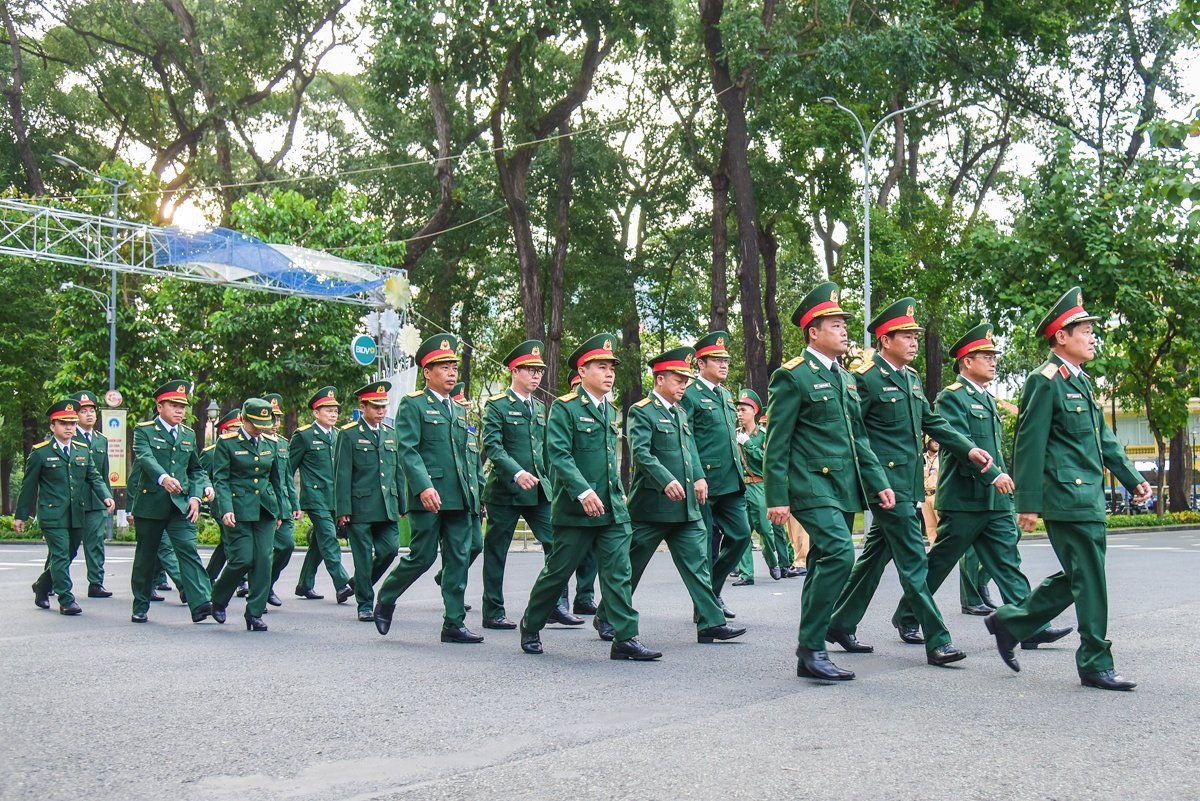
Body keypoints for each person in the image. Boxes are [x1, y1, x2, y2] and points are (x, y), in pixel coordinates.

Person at [984, 287, 1151, 691]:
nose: (1093, 337)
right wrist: (1027, 503)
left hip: (1087, 496)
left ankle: (1010, 621)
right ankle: (1095, 659)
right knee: (1090, 577)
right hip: (1066, 496)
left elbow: (1104, 440)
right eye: (1085, 330)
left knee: (1081, 575)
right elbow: (1029, 443)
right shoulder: (1045, 382)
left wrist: (1133, 478)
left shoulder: (1081, 382)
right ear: (1061, 336)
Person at [826, 297, 994, 668]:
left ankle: (839, 623)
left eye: (917, 335)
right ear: (885, 340)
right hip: (885, 484)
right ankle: (938, 640)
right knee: (914, 560)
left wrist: (968, 450)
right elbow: (856, 435)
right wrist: (873, 480)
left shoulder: (911, 379)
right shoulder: (865, 378)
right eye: (906, 335)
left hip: (907, 483)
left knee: (874, 558)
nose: (915, 341)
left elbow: (932, 424)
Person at [889, 323, 1073, 649]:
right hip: (964, 500)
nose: (992, 362)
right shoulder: (952, 398)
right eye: (984, 356)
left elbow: (994, 450)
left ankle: (1030, 624)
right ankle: (907, 615)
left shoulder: (989, 400)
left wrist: (1003, 478)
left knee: (1007, 562)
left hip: (995, 500)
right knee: (940, 563)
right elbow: (963, 448)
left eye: (993, 356)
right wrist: (994, 476)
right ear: (966, 362)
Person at [764, 283, 894, 681]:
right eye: (834, 324)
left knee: (823, 561)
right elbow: (777, 441)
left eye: (843, 324)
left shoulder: (846, 379)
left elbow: (859, 441)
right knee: (840, 553)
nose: (843, 330)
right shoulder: (793, 377)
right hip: (809, 485)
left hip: (842, 487)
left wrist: (879, 482)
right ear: (813, 332)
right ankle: (812, 647)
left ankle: (811, 652)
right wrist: (777, 497)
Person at [520, 333, 661, 661]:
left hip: (611, 509)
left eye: (612, 367)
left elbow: (612, 461)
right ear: (582, 372)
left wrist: (618, 494)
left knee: (618, 572)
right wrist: (582, 491)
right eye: (601, 366)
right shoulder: (565, 408)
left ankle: (625, 637)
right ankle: (531, 622)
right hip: (575, 510)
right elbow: (558, 453)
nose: (610, 373)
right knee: (557, 572)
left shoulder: (612, 412)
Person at [593, 347, 745, 644]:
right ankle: (607, 615)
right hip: (652, 508)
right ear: (660, 379)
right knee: (632, 566)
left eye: (685, 380)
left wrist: (699, 477)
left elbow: (690, 452)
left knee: (697, 563)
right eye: (678, 380)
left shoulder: (680, 412)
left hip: (685, 506)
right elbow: (642, 454)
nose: (683, 386)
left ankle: (711, 622)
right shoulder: (642, 410)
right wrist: (666, 481)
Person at [374, 334, 482, 643]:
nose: (451, 372)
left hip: (459, 496)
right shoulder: (413, 404)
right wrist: (423, 487)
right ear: (427, 371)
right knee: (421, 557)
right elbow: (408, 449)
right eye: (444, 367)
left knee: (460, 557)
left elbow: (465, 456)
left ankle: (454, 622)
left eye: (453, 367)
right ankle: (387, 596)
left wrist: (474, 495)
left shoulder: (459, 411)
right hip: (429, 497)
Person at [479, 341, 583, 629]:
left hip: (539, 490)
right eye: (531, 370)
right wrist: (516, 473)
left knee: (557, 545)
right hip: (505, 490)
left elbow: (546, 451)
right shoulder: (497, 405)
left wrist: (558, 484)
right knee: (497, 551)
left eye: (539, 371)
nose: (537, 376)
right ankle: (493, 611)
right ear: (515, 371)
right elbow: (493, 446)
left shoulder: (539, 407)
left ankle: (555, 605)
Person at [128, 380, 216, 624]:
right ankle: (141, 604)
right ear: (160, 407)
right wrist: (163, 478)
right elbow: (145, 458)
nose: (180, 411)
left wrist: (197, 496)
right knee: (146, 557)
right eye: (174, 405)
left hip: (181, 505)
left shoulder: (188, 434)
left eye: (182, 406)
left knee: (188, 551)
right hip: (151, 504)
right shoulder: (144, 430)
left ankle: (201, 603)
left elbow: (195, 469)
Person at [15, 399, 115, 615]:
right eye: (63, 423)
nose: (69, 427)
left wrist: (106, 496)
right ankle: (66, 599)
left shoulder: (81, 450)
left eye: (71, 422)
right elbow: (28, 487)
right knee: (60, 555)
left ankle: (42, 587)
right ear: (53, 426)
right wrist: (20, 516)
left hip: (76, 513)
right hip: (52, 514)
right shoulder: (40, 452)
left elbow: (94, 477)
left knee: (68, 554)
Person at [679, 331, 747, 619]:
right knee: (705, 548)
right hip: (704, 482)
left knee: (741, 536)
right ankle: (705, 607)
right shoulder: (690, 394)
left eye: (726, 360)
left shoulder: (727, 395)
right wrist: (695, 475)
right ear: (700, 363)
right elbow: (687, 439)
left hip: (730, 480)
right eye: (717, 360)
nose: (724, 365)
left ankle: (712, 592)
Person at [210, 398, 288, 631]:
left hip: (265, 509)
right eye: (256, 424)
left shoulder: (271, 443)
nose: (261, 429)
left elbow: (277, 480)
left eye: (264, 424)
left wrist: (281, 511)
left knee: (264, 560)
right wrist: (226, 509)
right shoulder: (227, 443)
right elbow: (221, 479)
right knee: (243, 559)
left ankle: (254, 612)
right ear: (243, 419)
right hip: (238, 509)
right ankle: (218, 598)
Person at [334, 382, 403, 622]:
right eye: (375, 406)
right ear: (363, 406)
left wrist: (402, 503)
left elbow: (398, 471)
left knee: (390, 550)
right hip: (359, 506)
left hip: (386, 505)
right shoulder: (349, 433)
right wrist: (342, 509)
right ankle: (365, 603)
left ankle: (357, 583)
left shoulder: (390, 433)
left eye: (384, 406)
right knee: (362, 556)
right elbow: (342, 474)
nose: (381, 411)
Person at [291, 387, 354, 603]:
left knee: (319, 542)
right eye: (328, 410)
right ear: (316, 413)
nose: (333, 414)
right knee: (329, 538)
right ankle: (343, 583)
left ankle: (304, 584)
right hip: (315, 497)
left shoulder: (339, 435)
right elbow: (287, 469)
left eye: (335, 410)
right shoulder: (304, 436)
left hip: (335, 498)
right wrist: (289, 500)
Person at [732, 389, 793, 583]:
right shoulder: (735, 435)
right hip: (741, 488)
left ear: (754, 411)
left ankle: (775, 563)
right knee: (741, 532)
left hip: (760, 486)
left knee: (767, 530)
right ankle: (746, 573)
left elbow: (766, 462)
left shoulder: (763, 435)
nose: (739, 414)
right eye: (738, 410)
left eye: (743, 409)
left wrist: (749, 444)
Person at [69, 391, 113, 598]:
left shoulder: (101, 440)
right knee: (66, 545)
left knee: (95, 542)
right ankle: (49, 580)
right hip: (72, 500)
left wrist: (108, 497)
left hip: (96, 501)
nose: (89, 415)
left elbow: (103, 473)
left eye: (92, 411)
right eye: (83, 411)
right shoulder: (68, 436)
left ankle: (96, 583)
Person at [263, 393, 303, 607]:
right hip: (264, 505)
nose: (275, 423)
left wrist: (294, 504)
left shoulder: (282, 443)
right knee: (261, 552)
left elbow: (287, 476)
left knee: (286, 545)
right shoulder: (256, 442)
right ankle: (259, 590)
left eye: (277, 418)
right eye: (271, 418)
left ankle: (267, 584)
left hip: (283, 504)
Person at [203, 409, 242, 584]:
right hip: (220, 503)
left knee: (227, 542)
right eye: (235, 428)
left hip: (239, 502)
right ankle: (242, 581)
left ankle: (207, 577)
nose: (240, 432)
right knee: (234, 541)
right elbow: (202, 476)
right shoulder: (210, 452)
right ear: (225, 431)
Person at [921, 438, 940, 546]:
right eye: (933, 441)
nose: (937, 443)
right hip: (925, 497)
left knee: (942, 526)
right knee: (930, 528)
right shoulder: (922, 458)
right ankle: (934, 552)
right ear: (927, 443)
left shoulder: (942, 457)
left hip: (938, 494)